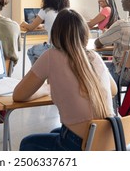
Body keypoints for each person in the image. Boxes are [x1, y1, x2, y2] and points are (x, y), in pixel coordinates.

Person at [13, 8, 117, 151]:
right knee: (55, 133)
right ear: (84, 33)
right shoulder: (94, 57)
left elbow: (18, 95)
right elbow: (113, 90)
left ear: (56, 33)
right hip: (107, 140)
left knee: (27, 143)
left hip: (80, 144)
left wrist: (47, 89)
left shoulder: (51, 56)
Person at [20, 0, 70, 65]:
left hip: (52, 48)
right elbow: (57, 24)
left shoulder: (45, 10)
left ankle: (38, 75)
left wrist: (24, 23)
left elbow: (31, 28)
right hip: (67, 48)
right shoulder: (67, 11)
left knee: (31, 51)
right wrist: (44, 25)